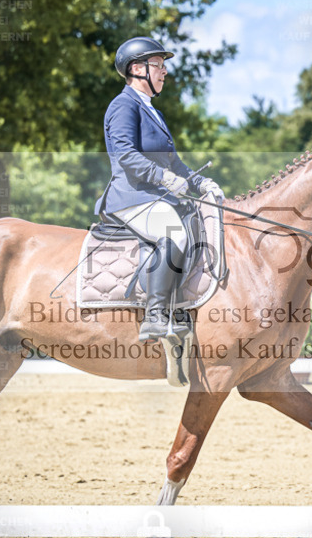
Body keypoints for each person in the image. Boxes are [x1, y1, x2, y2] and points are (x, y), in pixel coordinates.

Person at [95, 36, 224, 343]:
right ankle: (155, 315)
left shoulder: (152, 110)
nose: (164, 71)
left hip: (154, 196)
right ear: (137, 69)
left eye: (163, 66)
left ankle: (179, 306)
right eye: (158, 65)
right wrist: (164, 178)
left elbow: (173, 162)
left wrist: (200, 183)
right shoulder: (123, 105)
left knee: (194, 224)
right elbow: (126, 156)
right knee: (174, 233)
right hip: (132, 196)